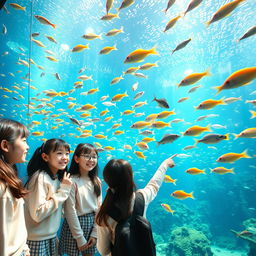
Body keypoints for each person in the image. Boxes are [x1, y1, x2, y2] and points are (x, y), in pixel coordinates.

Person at [96, 155, 175, 255]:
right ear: (130, 178)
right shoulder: (142, 198)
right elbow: (154, 185)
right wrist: (165, 165)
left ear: (107, 180)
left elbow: (104, 250)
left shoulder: (104, 212)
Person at [24, 138, 72, 256]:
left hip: (49, 237)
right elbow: (38, 214)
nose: (65, 157)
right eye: (59, 153)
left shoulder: (55, 178)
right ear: (45, 157)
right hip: (37, 241)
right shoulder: (40, 177)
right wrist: (63, 191)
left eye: (67, 153)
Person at [59, 143, 102, 256]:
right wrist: (79, 238)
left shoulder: (96, 181)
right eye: (87, 156)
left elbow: (99, 208)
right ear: (76, 159)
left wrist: (95, 233)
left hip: (92, 223)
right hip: (75, 226)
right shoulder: (71, 180)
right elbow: (70, 211)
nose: (91, 159)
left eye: (94, 156)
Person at [0, 118, 30, 256]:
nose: (27, 146)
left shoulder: (9, 179)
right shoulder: (2, 187)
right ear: (5, 146)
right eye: (23, 140)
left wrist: (23, 247)